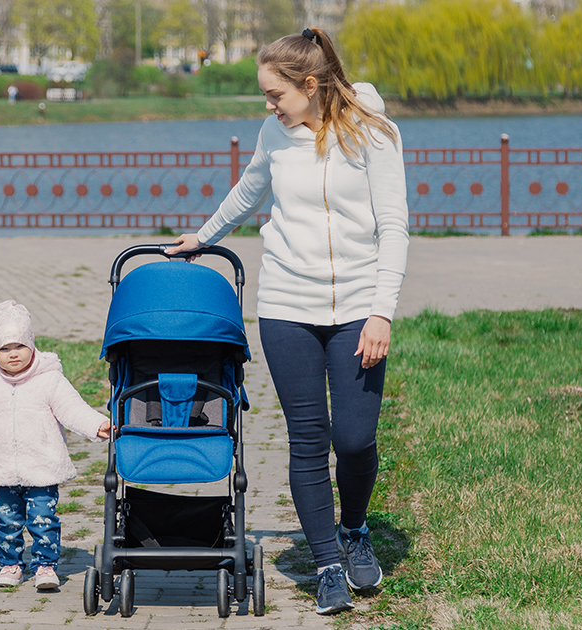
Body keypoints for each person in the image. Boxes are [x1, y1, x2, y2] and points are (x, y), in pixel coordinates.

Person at [165, 26, 409, 615]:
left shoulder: (372, 131)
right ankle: (327, 563)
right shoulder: (275, 133)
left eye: (275, 94)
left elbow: (394, 226)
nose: (267, 105)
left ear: (309, 84)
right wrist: (201, 238)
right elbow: (250, 190)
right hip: (286, 308)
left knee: (354, 438)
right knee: (307, 438)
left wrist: (381, 312)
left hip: (357, 309)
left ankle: (354, 529)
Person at [0, 300, 112, 589]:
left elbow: (72, 408)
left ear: (32, 345)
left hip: (42, 466)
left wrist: (96, 424)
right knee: (6, 522)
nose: (13, 355)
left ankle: (45, 566)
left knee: (43, 518)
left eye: (19, 346)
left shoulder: (50, 380)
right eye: (4, 349)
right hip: (0, 469)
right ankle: (10, 565)